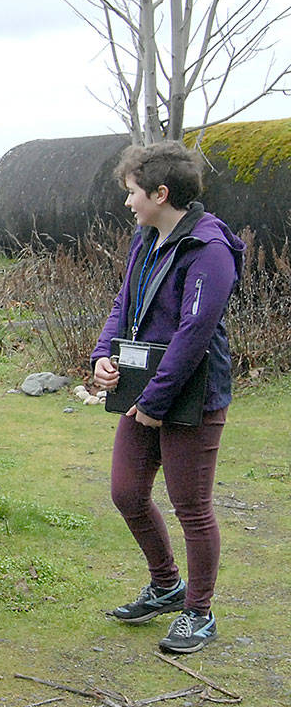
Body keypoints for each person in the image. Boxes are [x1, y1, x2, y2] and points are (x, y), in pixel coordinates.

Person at [91, 140, 243, 653]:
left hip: (192, 396)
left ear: (161, 192)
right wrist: (102, 355)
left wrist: (156, 403)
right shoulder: (145, 237)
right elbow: (125, 300)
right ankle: (166, 586)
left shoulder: (211, 250)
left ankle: (198, 613)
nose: (128, 202)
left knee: (192, 508)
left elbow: (194, 333)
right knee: (127, 492)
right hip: (144, 391)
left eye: (133, 193)